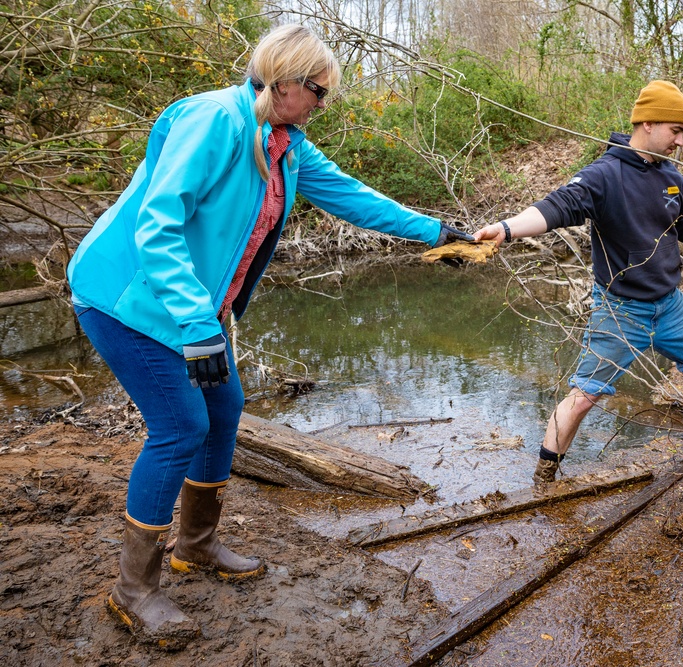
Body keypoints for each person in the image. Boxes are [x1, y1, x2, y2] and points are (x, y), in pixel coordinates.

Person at [67, 24, 471, 649]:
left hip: (193, 309)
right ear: (283, 80)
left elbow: (352, 197)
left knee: (224, 410)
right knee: (180, 427)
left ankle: (195, 547)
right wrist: (200, 327)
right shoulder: (214, 121)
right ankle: (133, 590)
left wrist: (435, 230)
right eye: (317, 91)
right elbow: (157, 226)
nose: (321, 105)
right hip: (127, 299)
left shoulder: (285, 142)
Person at [473, 80, 683, 486]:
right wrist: (506, 228)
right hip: (621, 310)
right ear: (649, 123)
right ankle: (543, 478)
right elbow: (558, 206)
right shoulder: (604, 175)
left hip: (669, 304)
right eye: (676, 131)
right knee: (585, 396)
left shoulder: (670, 176)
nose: (679, 142)